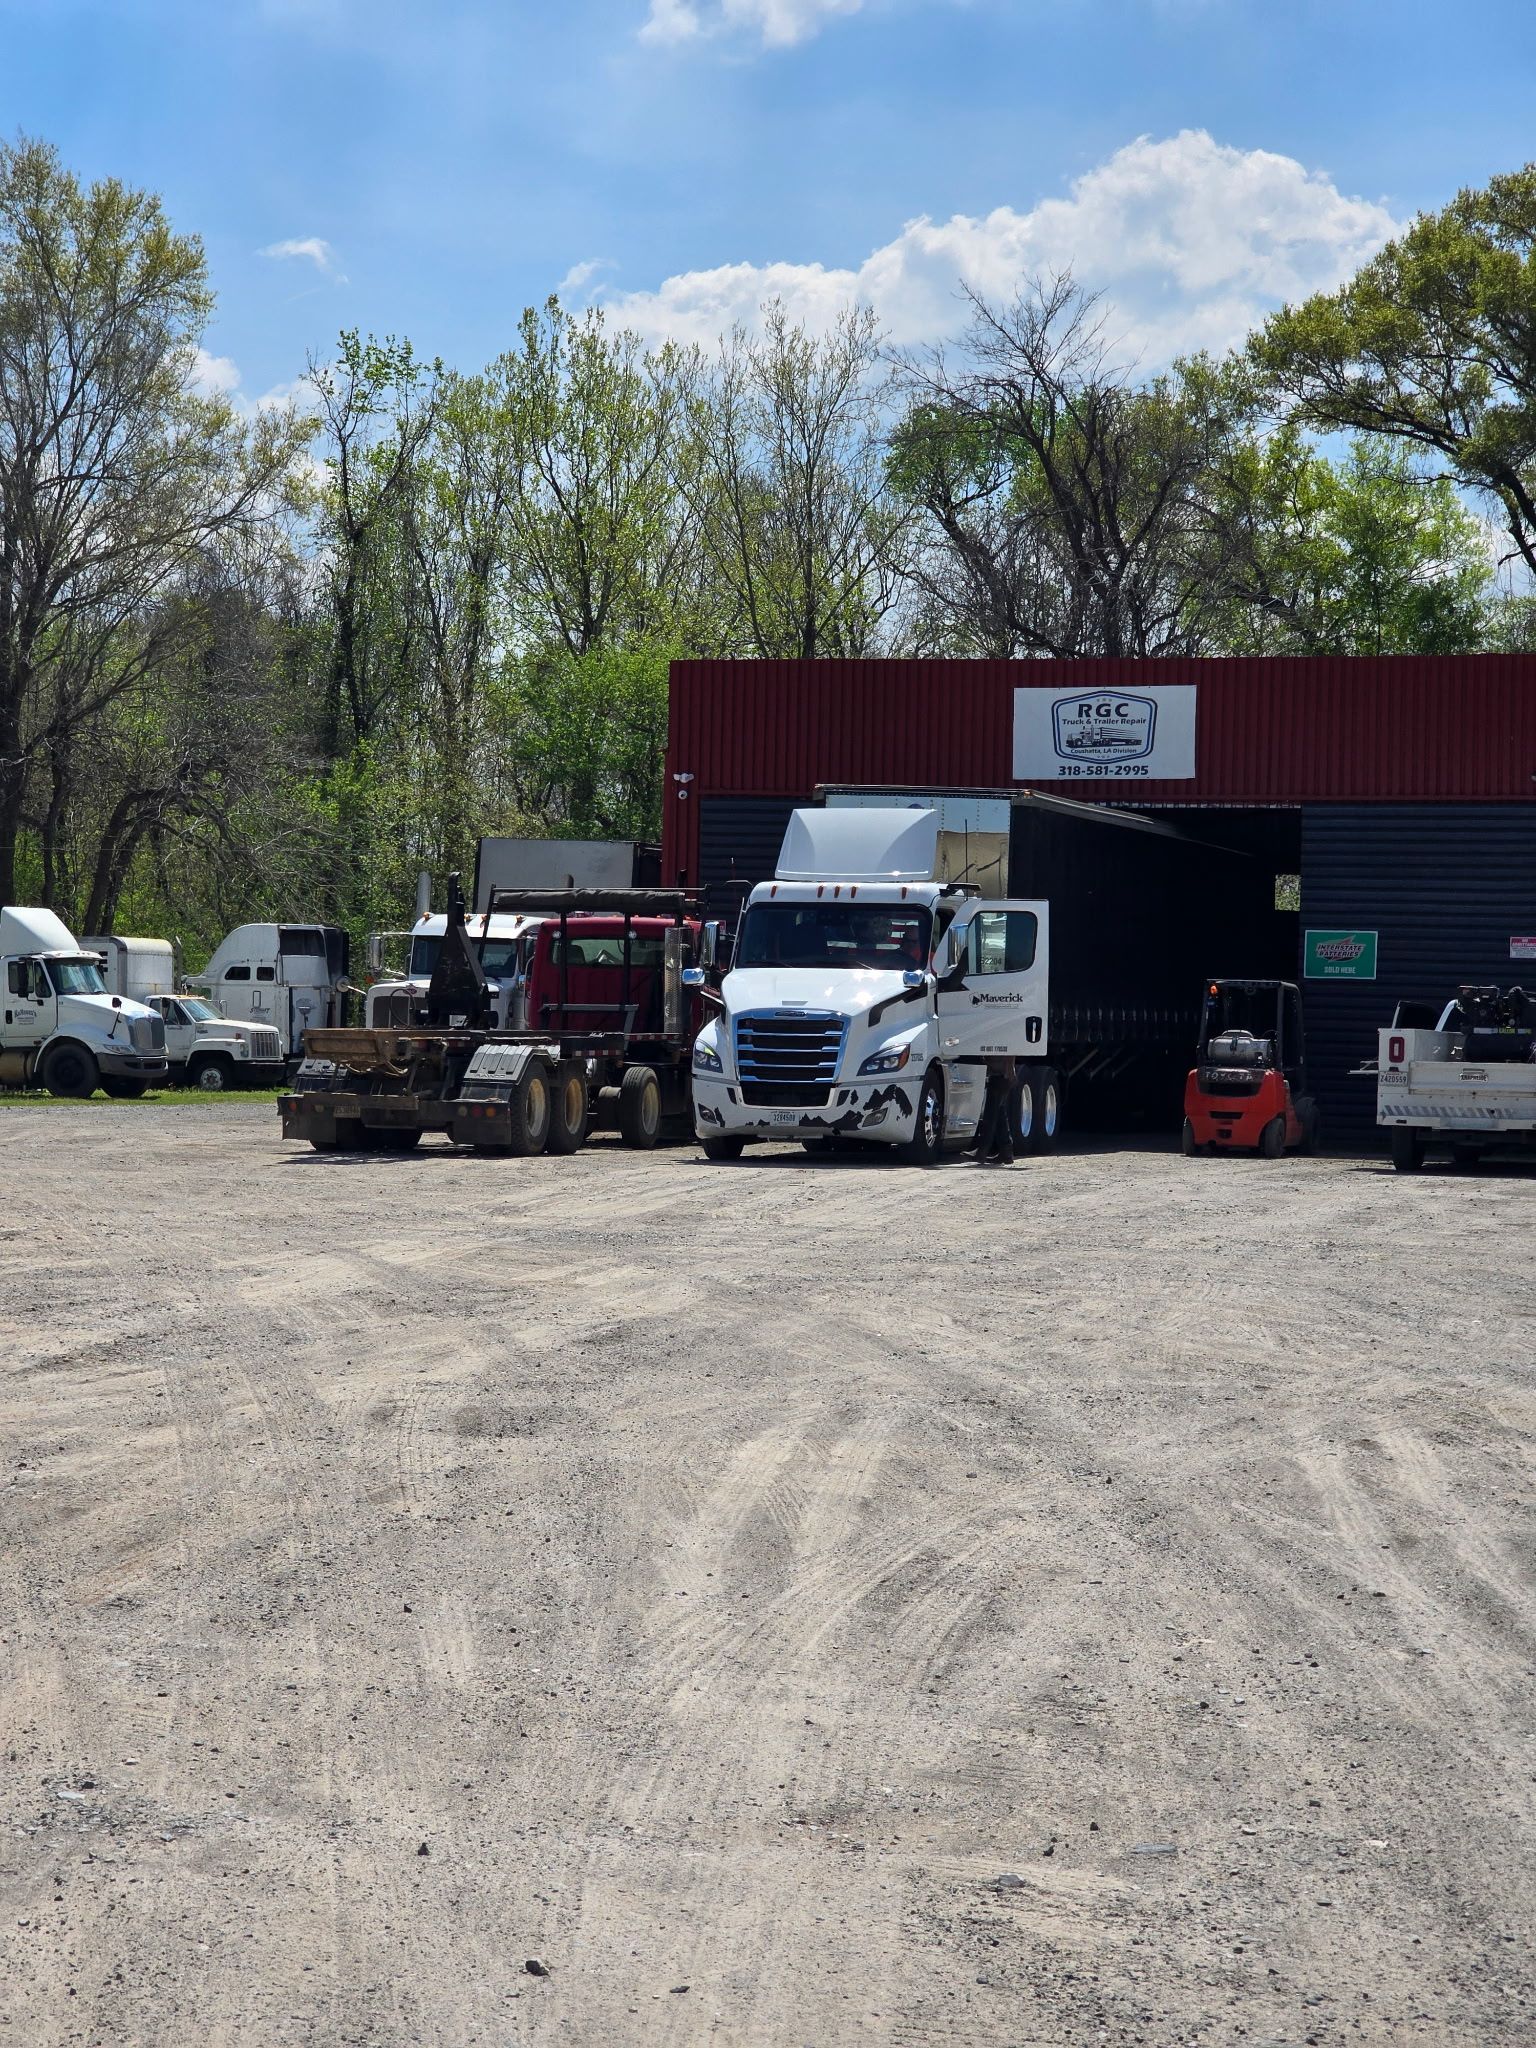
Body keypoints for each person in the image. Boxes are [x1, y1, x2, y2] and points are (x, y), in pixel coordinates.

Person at [970, 1057, 1017, 1166]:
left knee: (990, 1116)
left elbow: (1010, 1052)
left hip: (999, 1075)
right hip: (1001, 1075)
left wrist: (1009, 1069)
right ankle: (1006, 1152)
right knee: (1000, 1115)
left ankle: (982, 1152)